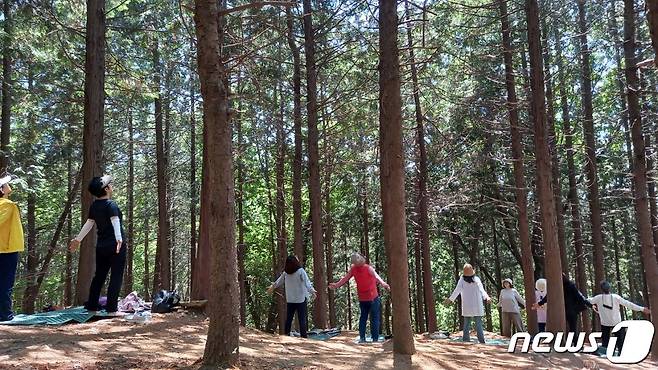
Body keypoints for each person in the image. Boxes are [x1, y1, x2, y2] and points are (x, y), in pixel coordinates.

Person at [69, 175, 127, 313]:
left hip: (101, 247)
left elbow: (89, 224)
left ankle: (92, 306)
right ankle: (112, 308)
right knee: (116, 276)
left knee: (99, 276)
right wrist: (119, 239)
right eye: (110, 184)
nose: (111, 186)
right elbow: (115, 221)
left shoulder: (94, 206)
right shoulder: (111, 205)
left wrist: (78, 239)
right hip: (115, 246)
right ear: (106, 189)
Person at [329, 252, 390, 343]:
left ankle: (362, 338)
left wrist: (336, 285)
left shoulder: (353, 269)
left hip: (363, 298)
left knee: (363, 317)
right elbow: (377, 277)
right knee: (374, 318)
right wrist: (384, 284)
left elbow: (345, 279)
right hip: (372, 297)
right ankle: (375, 339)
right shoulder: (368, 268)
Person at [588, 281, 649, 352]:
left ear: (601, 289)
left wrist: (590, 303)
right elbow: (629, 304)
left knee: (605, 343)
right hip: (617, 323)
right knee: (620, 343)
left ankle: (606, 356)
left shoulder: (598, 298)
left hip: (605, 323)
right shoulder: (616, 297)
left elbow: (588, 301)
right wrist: (642, 309)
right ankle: (621, 354)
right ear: (609, 288)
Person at [267, 255, 316, 338]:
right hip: (300, 299)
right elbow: (306, 282)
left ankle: (286, 334)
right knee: (302, 319)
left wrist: (272, 287)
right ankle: (304, 336)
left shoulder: (286, 273)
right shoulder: (301, 271)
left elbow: (278, 281)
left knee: (289, 318)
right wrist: (312, 291)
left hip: (290, 299)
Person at [444, 263, 491, 343]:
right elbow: (481, 290)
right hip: (476, 304)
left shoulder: (463, 280)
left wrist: (450, 299)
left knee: (467, 323)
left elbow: (457, 290)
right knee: (478, 324)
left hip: (468, 305)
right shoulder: (475, 279)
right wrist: (486, 297)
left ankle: (466, 340)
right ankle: (481, 341)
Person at [0, 175, 24, 321]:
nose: (9, 185)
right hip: (6, 249)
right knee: (5, 282)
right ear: (1, 190)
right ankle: (4, 314)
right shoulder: (7, 205)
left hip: (5, 249)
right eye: (5, 184)